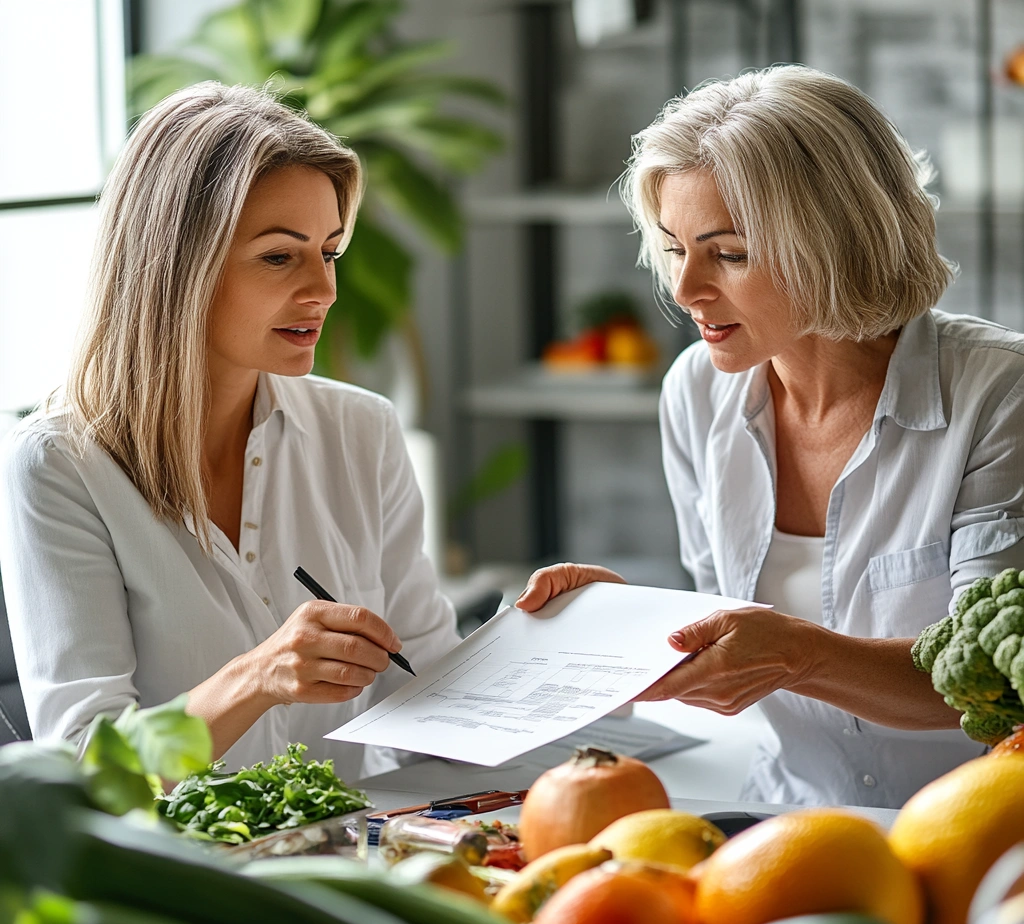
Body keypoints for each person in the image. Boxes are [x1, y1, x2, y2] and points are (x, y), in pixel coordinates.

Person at [517, 65, 1024, 808]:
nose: (686, 290)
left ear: (836, 242)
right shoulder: (697, 390)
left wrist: (797, 654)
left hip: (983, 839)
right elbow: (733, 634)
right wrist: (620, 630)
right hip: (790, 824)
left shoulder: (999, 393)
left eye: (729, 253)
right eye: (674, 247)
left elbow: (995, 684)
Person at [0, 83, 459, 779]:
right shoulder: (59, 465)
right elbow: (87, 767)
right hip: (179, 881)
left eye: (329, 252)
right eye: (280, 257)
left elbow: (430, 695)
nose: (324, 289)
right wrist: (258, 678)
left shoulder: (362, 430)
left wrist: (554, 641)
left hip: (349, 861)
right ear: (178, 268)